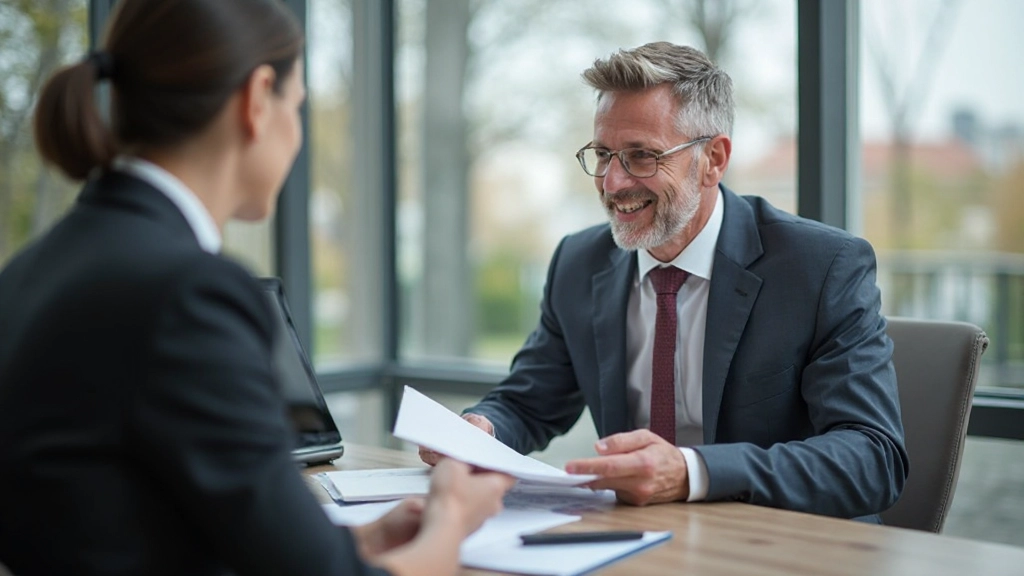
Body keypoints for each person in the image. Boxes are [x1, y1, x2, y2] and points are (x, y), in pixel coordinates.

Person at [0, 1, 513, 575]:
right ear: (257, 98)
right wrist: (452, 516)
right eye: (296, 107)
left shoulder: (28, 272)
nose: (296, 135)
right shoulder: (190, 292)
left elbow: (136, 525)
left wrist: (360, 542)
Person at [421, 42, 908, 522]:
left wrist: (693, 472)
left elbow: (872, 458)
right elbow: (529, 401)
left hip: (778, 545)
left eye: (641, 156)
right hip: (634, 539)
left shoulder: (821, 267)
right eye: (604, 154)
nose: (612, 182)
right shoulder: (579, 262)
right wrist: (483, 429)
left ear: (713, 159)